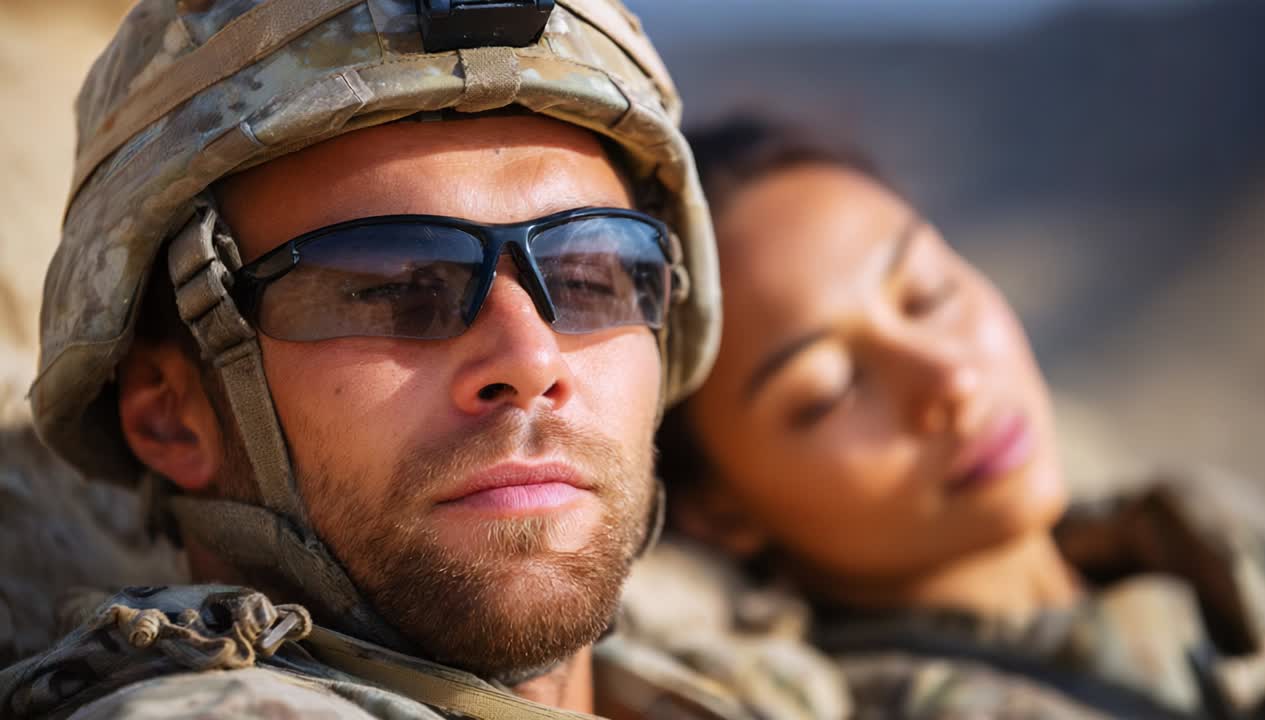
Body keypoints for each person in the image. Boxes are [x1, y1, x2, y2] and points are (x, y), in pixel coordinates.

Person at [0, 1, 736, 718]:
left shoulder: (733, 670)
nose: (531, 357)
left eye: (586, 279)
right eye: (393, 290)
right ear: (172, 417)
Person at [640, 117, 1265, 719]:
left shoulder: (1217, 556)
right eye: (830, 389)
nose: (951, 379)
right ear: (721, 510)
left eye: (928, 294)